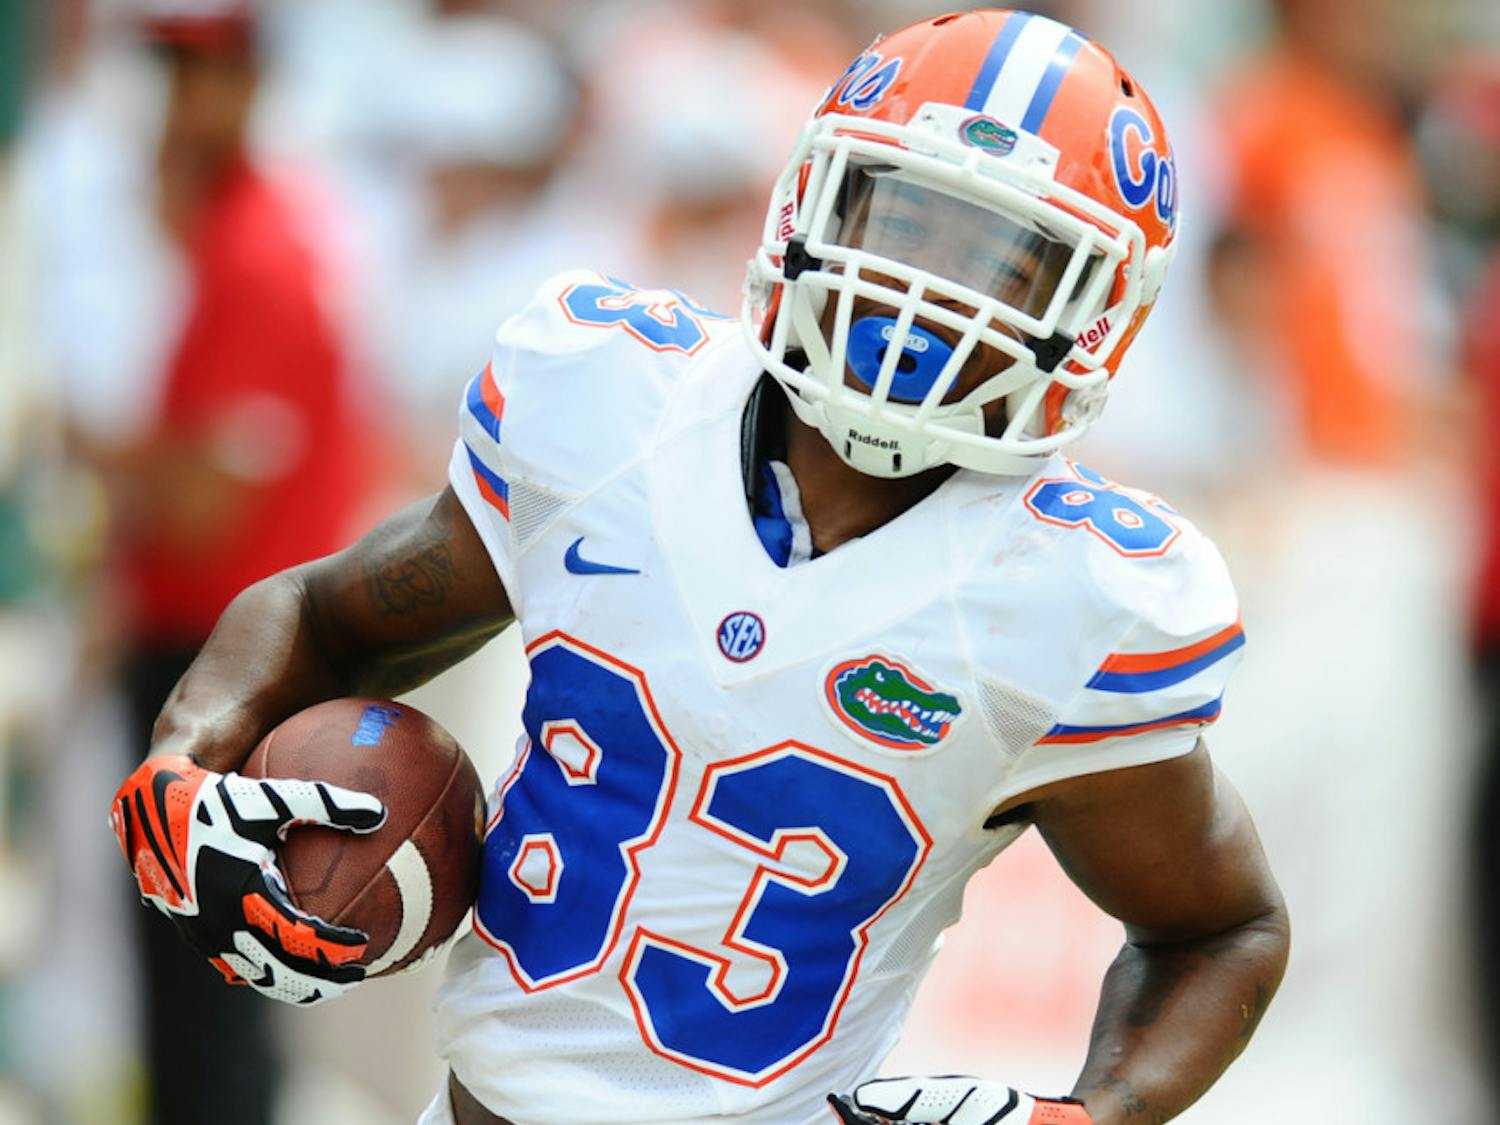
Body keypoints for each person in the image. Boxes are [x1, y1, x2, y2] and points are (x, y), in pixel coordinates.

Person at [108, 11, 1289, 1124]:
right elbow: (326, 614)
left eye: (1002, 261)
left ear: (1092, 311)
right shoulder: (610, 408)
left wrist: (1097, 1111)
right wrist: (186, 761)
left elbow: (1223, 926)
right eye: (906, 220)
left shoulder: (1067, 601)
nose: (924, 291)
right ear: (812, 202)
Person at [93, 4, 376, 1122]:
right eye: (165, 78)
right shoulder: (216, 233)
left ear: (249, 87)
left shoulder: (264, 245)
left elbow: (207, 505)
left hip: (232, 659)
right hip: (204, 641)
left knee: (212, 960)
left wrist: (100, 460)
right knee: (181, 960)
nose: (173, 107)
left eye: (195, 79)